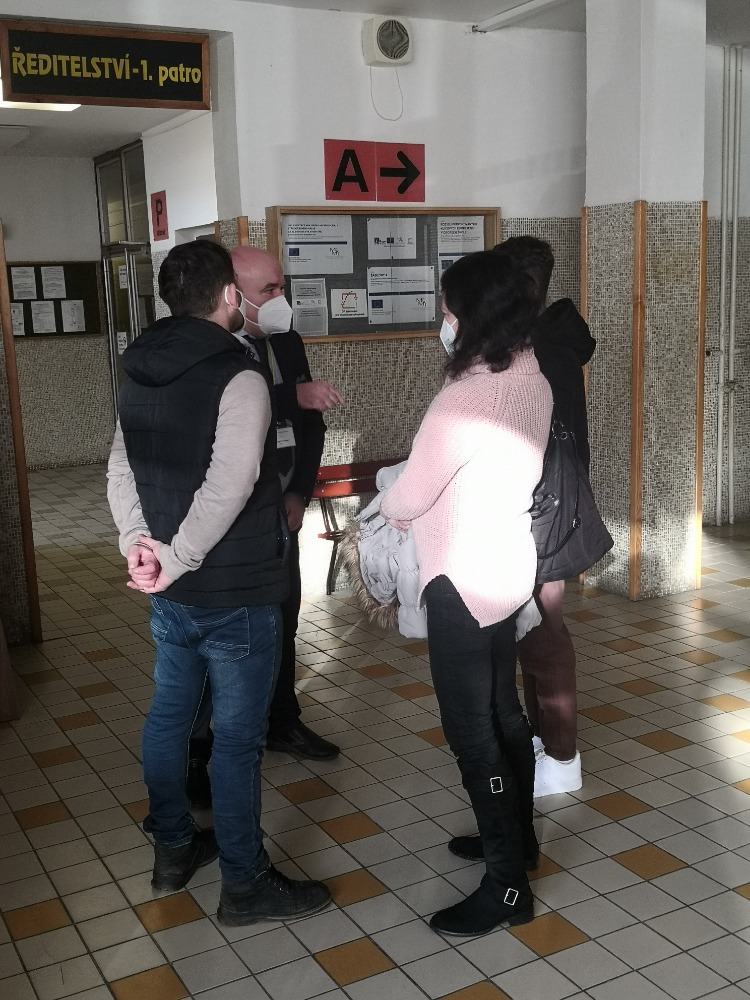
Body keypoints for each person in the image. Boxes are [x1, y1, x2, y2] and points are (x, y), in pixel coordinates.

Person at [106, 240, 330, 926]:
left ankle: (174, 849)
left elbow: (121, 466)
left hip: (169, 590)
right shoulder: (239, 373)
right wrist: (175, 558)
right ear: (230, 296)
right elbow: (230, 486)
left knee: (170, 716)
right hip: (234, 588)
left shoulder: (137, 363)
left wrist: (140, 548)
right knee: (236, 739)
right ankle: (245, 882)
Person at [380, 250, 552, 937]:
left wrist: (389, 502)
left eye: (447, 307)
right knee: (503, 712)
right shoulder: (531, 373)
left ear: (472, 315)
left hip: (461, 578)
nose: (442, 318)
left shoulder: (467, 397)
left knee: (471, 731)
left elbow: (409, 496)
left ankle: (507, 887)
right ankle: (519, 841)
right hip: (506, 565)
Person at [185, 247, 345, 806]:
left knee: (282, 619)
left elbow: (310, 424)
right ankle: (200, 750)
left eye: (282, 286)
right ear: (233, 293)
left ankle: (283, 720)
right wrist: (286, 395)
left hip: (281, 510)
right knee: (221, 638)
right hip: (225, 524)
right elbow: (209, 413)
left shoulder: (286, 340)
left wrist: (300, 491)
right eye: (269, 290)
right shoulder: (204, 347)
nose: (281, 299)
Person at [499, 236, 596, 797]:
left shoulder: (542, 356)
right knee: (532, 632)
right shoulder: (543, 345)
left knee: (543, 632)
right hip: (544, 507)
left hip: (543, 511)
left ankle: (561, 758)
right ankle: (544, 742)